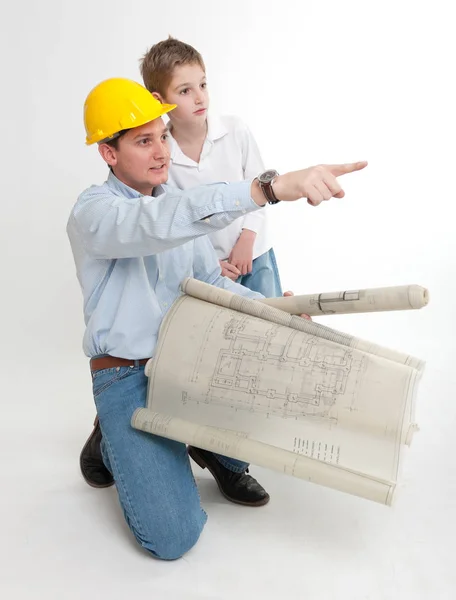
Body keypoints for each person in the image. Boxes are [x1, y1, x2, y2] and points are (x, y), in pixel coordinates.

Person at [69, 77, 367, 560]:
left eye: (162, 135)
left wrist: (282, 315)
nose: (160, 150)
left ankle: (194, 440)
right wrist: (266, 188)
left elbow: (216, 289)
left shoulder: (177, 212)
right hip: (126, 376)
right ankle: (114, 437)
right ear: (108, 154)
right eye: (143, 141)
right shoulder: (95, 212)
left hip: (186, 361)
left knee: (262, 396)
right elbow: (149, 227)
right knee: (172, 537)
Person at [140, 37, 281, 296]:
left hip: (256, 253)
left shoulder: (234, 130)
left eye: (203, 85)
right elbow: (174, 221)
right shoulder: (162, 155)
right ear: (159, 101)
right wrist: (207, 265)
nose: (200, 97)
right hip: (210, 271)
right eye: (185, 91)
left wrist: (247, 239)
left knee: (272, 324)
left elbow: (262, 188)